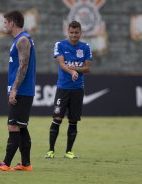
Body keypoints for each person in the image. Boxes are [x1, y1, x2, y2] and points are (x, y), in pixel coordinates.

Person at [0, 11, 36, 172]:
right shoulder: (20, 39)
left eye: (5, 22)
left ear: (12, 23)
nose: (4, 25)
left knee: (13, 126)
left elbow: (23, 66)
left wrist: (15, 89)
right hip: (22, 90)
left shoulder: (23, 40)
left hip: (22, 91)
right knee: (21, 126)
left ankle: (6, 164)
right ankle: (25, 164)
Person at [44, 20, 92, 159]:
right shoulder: (60, 45)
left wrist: (76, 69)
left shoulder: (86, 47)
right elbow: (61, 63)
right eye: (71, 32)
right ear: (68, 32)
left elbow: (87, 68)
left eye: (76, 33)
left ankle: (69, 152)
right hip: (63, 88)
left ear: (80, 33)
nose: (74, 35)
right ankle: (51, 151)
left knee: (73, 121)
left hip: (78, 89)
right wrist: (72, 72)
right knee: (57, 118)